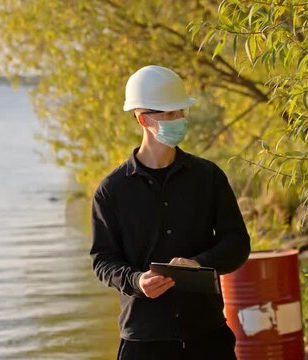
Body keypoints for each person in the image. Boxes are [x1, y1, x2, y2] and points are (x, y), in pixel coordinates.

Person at [89, 65, 251, 360]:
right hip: (144, 340)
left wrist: (198, 264)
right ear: (142, 118)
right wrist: (136, 281)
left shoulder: (208, 177)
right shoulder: (111, 190)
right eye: (168, 113)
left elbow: (237, 244)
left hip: (207, 335)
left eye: (180, 112)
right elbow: (102, 260)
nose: (178, 120)